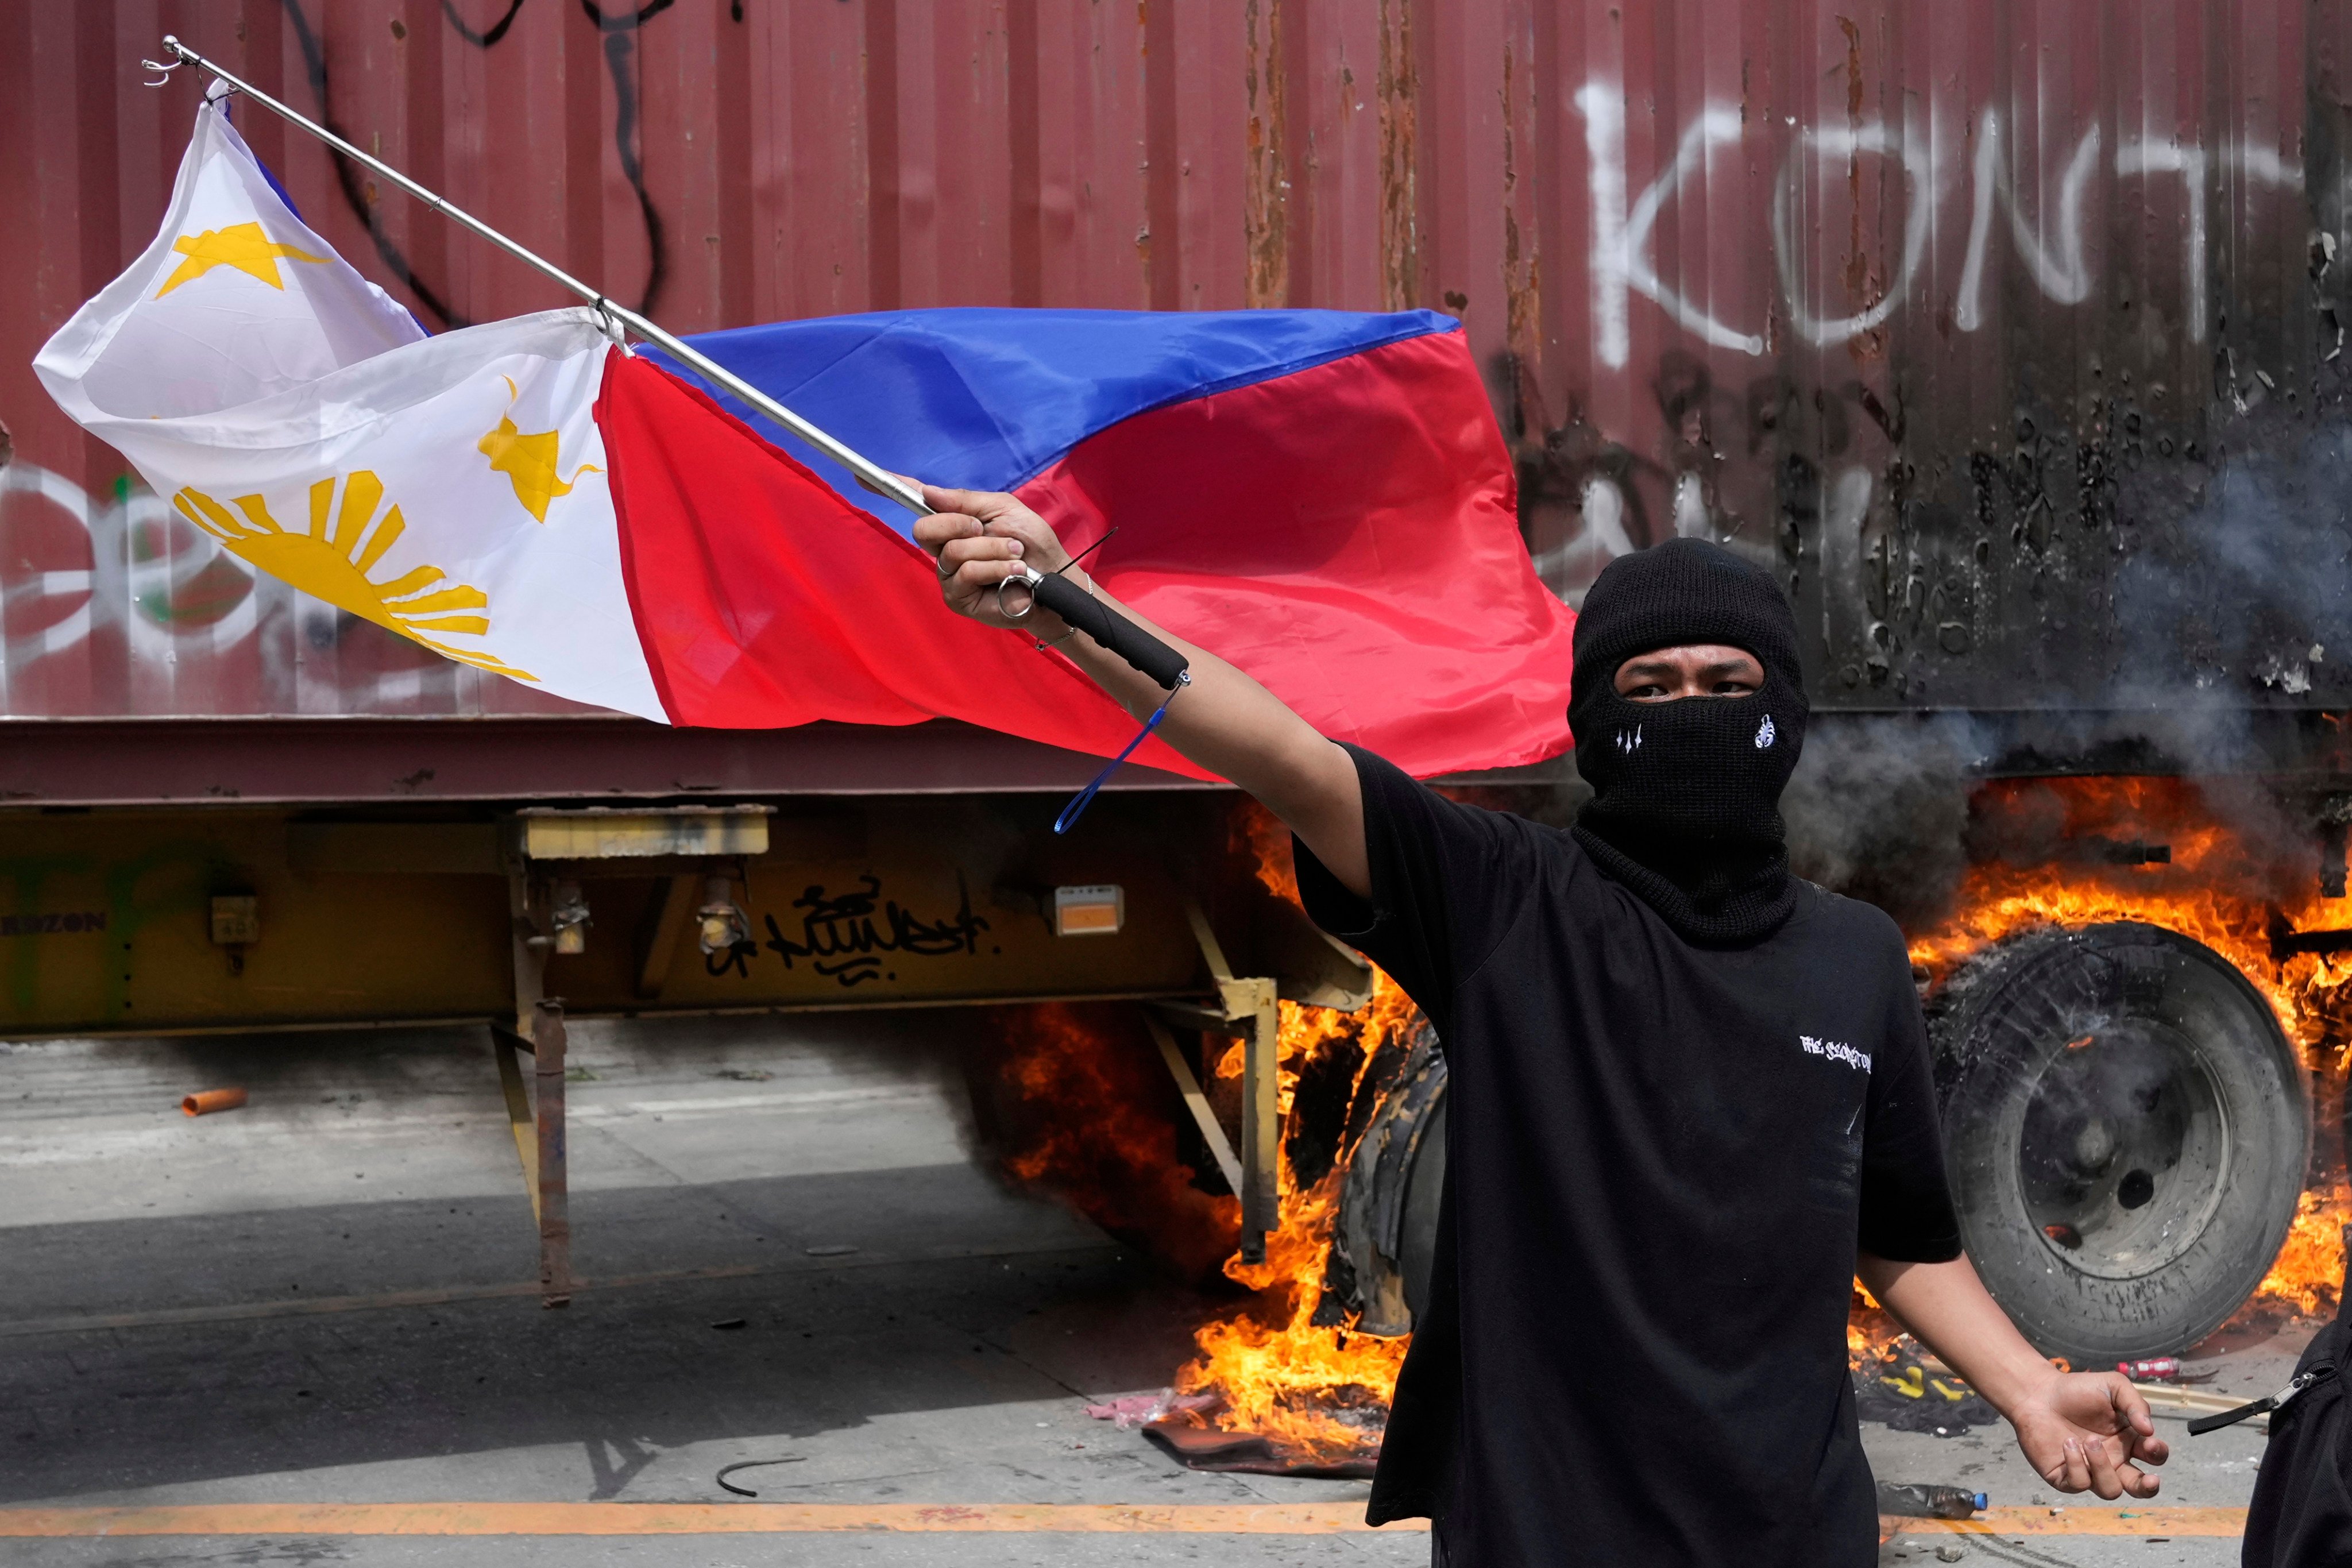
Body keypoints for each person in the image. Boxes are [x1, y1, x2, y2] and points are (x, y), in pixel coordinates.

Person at [915, 485, 2168, 1567]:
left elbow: (1897, 1239)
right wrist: (1065, 604)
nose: (1692, 711)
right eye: (1651, 685)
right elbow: (1285, 756)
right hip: (1548, 1524)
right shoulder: (1505, 903)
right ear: (1592, 720)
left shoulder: (1852, 958)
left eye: (1727, 686)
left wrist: (2028, 1388)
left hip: (1792, 1529)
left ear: (1781, 712)